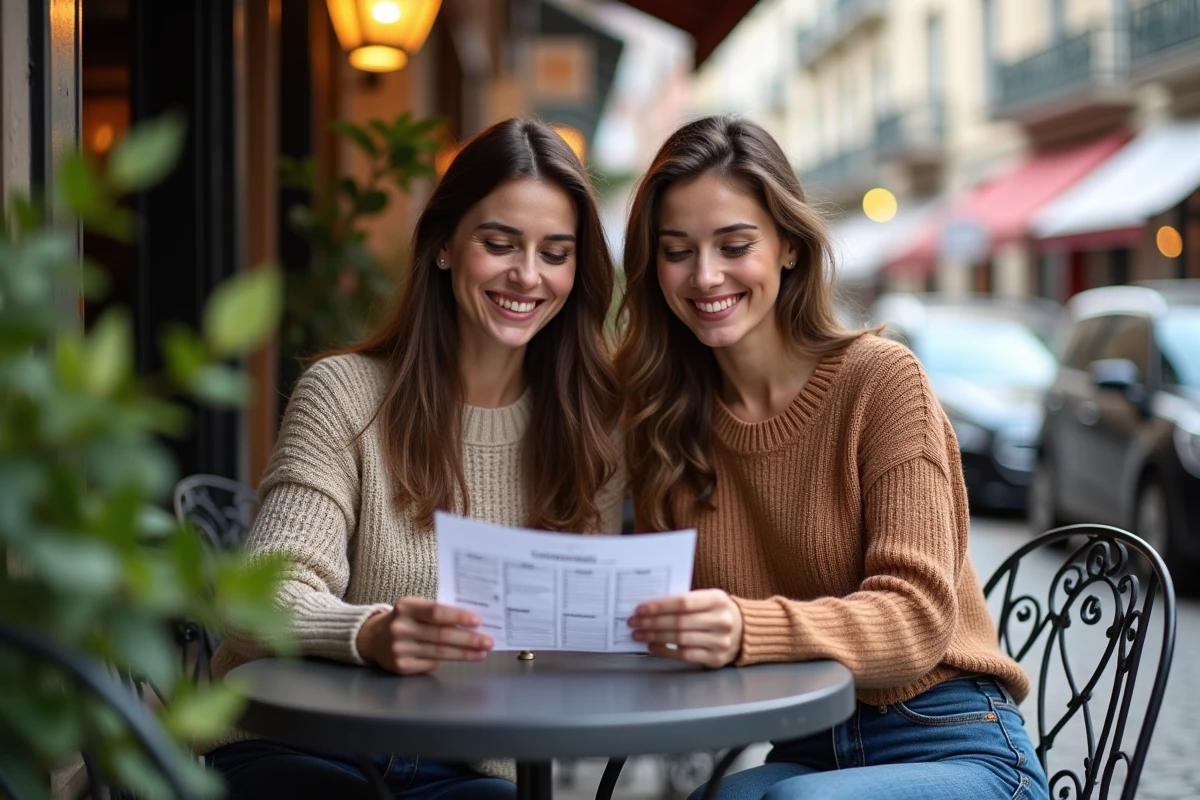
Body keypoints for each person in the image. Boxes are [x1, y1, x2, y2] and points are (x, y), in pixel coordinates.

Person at [615, 115, 1049, 800]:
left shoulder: (881, 381)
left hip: (953, 738)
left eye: (734, 245)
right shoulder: (665, 421)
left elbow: (916, 618)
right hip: (809, 744)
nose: (705, 275)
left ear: (788, 246)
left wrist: (744, 626)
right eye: (677, 251)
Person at [204, 118, 625, 799]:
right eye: (499, 244)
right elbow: (255, 599)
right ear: (444, 247)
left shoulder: (591, 428)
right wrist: (370, 633)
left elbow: (563, 649)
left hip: (463, 771)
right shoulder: (345, 395)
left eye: (556, 253)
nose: (528, 275)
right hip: (304, 748)